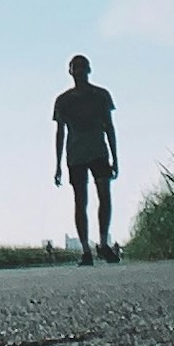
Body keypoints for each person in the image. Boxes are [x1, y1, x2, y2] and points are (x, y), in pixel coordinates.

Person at [54, 54, 120, 262]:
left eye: (83, 67)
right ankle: (85, 250)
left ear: (89, 70)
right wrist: (57, 165)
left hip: (99, 152)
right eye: (76, 67)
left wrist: (115, 157)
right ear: (70, 71)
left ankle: (103, 243)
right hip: (76, 155)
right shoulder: (63, 100)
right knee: (80, 200)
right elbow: (60, 133)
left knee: (104, 195)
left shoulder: (101, 95)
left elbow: (109, 126)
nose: (80, 71)